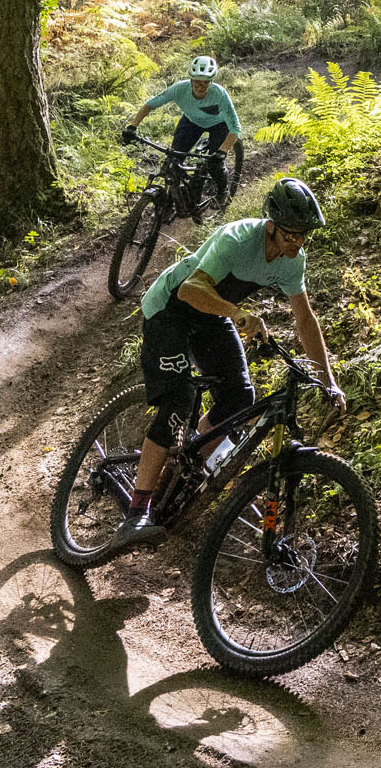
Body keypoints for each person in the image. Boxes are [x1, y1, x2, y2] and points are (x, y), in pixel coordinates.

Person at [112, 178, 348, 551]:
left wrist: (328, 380)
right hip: (170, 310)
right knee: (179, 400)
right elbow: (191, 289)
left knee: (239, 398)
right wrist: (238, 313)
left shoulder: (292, 260)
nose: (297, 243)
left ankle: (186, 459)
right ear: (271, 225)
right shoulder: (238, 239)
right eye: (290, 235)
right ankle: (136, 512)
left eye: (303, 235)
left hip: (211, 318)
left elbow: (305, 320)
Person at [122, 56, 241, 206]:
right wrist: (132, 127)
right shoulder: (179, 89)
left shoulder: (219, 94)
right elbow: (150, 105)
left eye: (206, 82)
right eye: (197, 81)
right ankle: (169, 202)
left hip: (219, 125)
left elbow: (235, 128)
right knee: (172, 162)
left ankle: (223, 191)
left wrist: (223, 151)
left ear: (211, 81)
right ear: (191, 79)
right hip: (191, 122)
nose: (201, 85)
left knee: (214, 163)